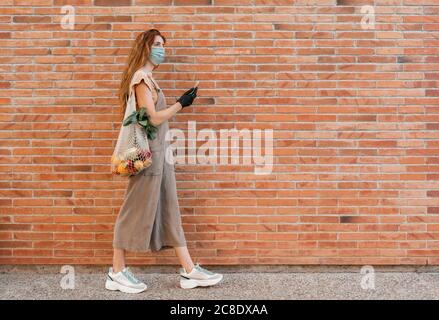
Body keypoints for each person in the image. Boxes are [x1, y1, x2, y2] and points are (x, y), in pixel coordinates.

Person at [106, 29, 223, 293]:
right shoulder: (141, 78)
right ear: (145, 47)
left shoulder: (151, 79)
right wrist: (182, 103)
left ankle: (189, 270)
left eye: (163, 44)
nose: (162, 48)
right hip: (148, 157)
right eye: (157, 44)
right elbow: (154, 118)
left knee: (170, 210)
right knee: (132, 212)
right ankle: (116, 272)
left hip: (162, 156)